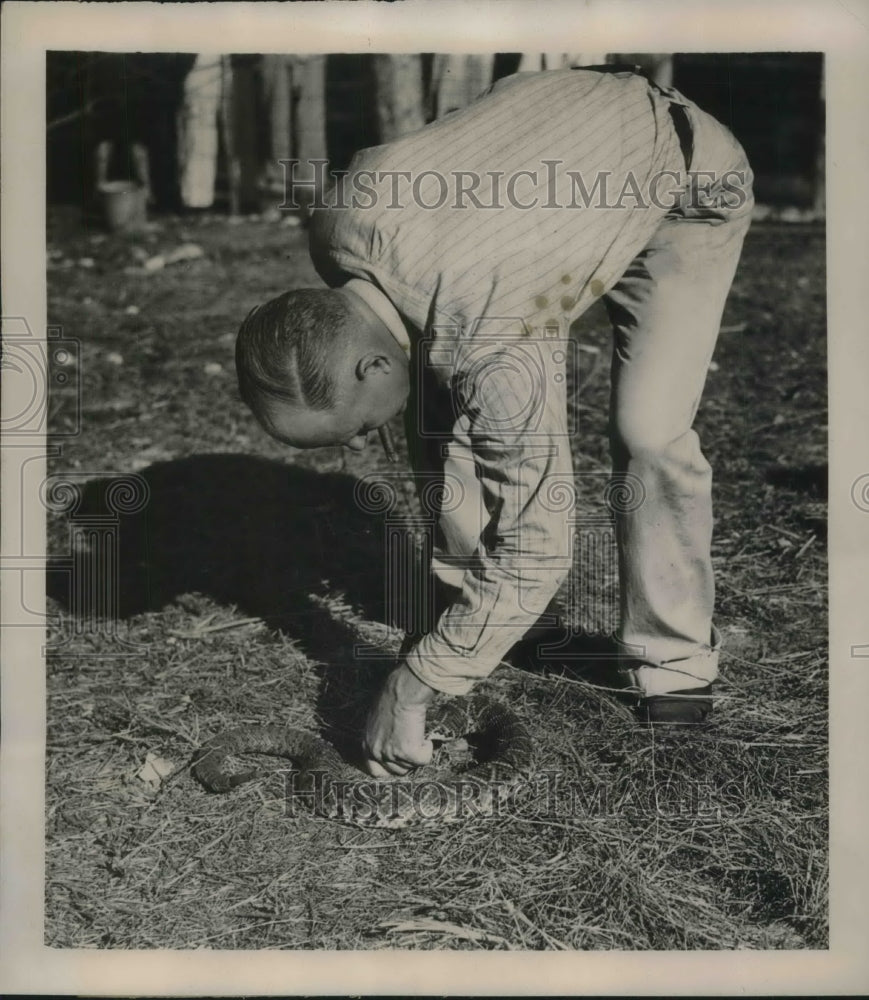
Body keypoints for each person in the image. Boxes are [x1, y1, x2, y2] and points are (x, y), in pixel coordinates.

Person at [235, 67, 754, 779]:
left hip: (683, 180)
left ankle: (675, 662)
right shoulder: (335, 230)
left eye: (353, 432)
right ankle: (487, 619)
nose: (359, 450)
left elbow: (542, 545)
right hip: (558, 181)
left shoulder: (492, 339)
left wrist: (410, 690)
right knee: (437, 413)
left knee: (648, 432)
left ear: (368, 370)